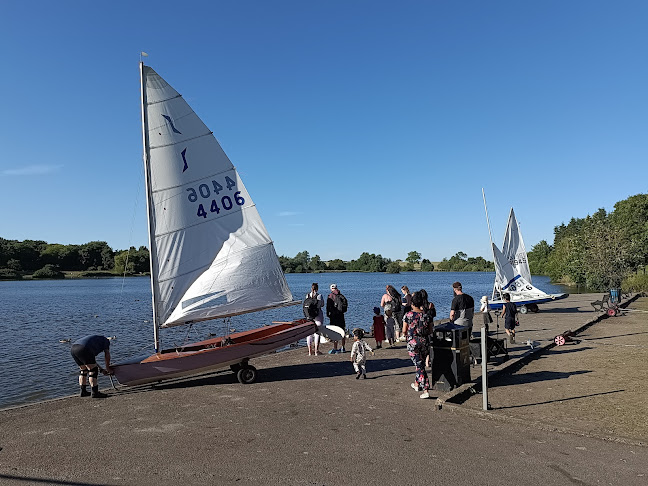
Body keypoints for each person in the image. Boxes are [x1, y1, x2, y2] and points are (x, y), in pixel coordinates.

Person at [402, 291, 433, 399]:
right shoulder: (426, 315)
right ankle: (416, 384)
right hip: (424, 342)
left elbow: (404, 330)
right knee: (420, 364)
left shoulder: (408, 315)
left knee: (419, 366)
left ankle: (426, 389)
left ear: (412, 303)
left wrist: (408, 334)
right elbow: (430, 330)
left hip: (413, 343)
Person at [70, 334, 113, 399]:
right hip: (84, 348)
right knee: (93, 370)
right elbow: (107, 354)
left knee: (83, 370)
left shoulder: (95, 341)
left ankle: (83, 391)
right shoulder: (106, 341)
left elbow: (91, 361)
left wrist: (101, 369)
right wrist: (108, 367)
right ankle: (95, 392)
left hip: (74, 348)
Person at [303, 283, 324, 355]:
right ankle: (316, 351)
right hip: (318, 315)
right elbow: (322, 305)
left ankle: (309, 351)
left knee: (309, 334)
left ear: (311, 288)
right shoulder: (319, 296)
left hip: (309, 316)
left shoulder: (307, 295)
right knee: (317, 333)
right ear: (317, 288)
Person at [327, 284, 348, 353]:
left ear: (331, 289)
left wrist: (328, 314)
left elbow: (328, 307)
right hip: (341, 316)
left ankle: (335, 348)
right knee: (342, 331)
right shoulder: (341, 296)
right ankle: (343, 347)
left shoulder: (330, 296)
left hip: (334, 316)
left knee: (335, 332)